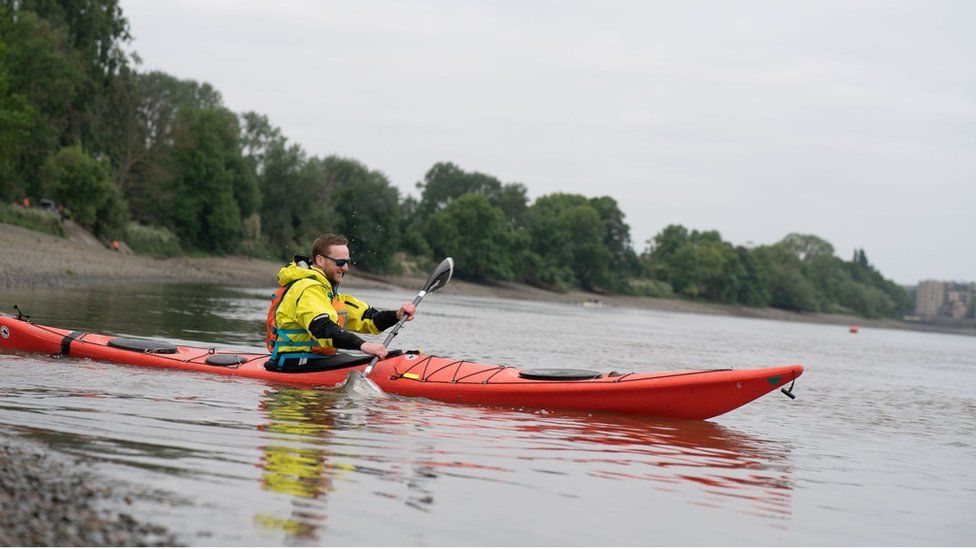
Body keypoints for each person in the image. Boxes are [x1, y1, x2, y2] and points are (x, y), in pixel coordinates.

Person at [265, 233, 416, 372]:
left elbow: (369, 320)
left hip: (318, 360)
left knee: (389, 355)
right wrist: (364, 345)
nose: (346, 267)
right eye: (340, 262)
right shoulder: (307, 289)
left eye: (347, 262)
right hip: (294, 363)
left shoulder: (329, 294)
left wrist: (397, 315)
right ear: (320, 260)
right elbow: (322, 327)